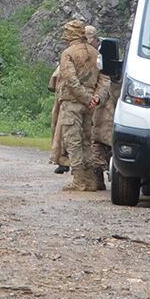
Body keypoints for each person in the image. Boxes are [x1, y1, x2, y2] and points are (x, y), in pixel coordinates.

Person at [55, 20, 110, 192]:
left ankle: (78, 180)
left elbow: (70, 79)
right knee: (87, 141)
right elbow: (105, 79)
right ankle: (91, 180)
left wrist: (86, 98)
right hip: (90, 105)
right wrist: (96, 98)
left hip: (72, 102)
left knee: (73, 141)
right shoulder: (96, 53)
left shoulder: (68, 53)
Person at [85, 25, 122, 190]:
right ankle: (97, 176)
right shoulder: (85, 54)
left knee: (102, 136)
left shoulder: (102, 54)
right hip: (93, 101)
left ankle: (107, 172)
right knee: (96, 138)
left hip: (104, 100)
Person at [47, 68, 69, 173]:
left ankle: (63, 160)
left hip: (66, 98)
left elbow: (53, 82)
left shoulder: (67, 58)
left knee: (61, 130)